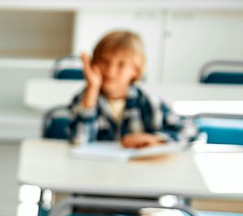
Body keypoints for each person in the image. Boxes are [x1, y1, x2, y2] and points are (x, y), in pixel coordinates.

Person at [67, 29, 197, 147]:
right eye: (104, 62)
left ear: (135, 70)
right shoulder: (83, 99)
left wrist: (157, 139)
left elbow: (190, 131)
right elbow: (79, 141)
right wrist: (92, 87)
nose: (110, 71)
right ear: (93, 64)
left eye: (121, 65)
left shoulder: (149, 102)